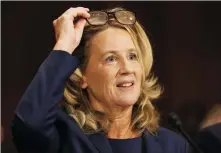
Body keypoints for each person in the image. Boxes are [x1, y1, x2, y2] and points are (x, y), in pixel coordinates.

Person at [12, 6, 190, 153]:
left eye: (132, 56)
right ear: (82, 77)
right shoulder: (65, 138)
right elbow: (29, 126)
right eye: (111, 59)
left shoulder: (172, 145)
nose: (127, 68)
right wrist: (64, 46)